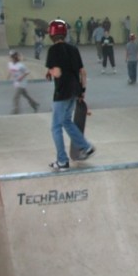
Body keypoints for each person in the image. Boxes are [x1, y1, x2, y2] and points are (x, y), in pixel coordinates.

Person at [45, 19, 95, 171]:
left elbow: (57, 72)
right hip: (75, 91)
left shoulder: (53, 51)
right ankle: (86, 146)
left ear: (51, 34)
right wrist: (82, 91)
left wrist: (50, 72)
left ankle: (62, 161)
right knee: (66, 121)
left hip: (62, 92)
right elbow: (83, 72)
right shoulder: (73, 49)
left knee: (55, 127)